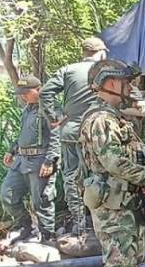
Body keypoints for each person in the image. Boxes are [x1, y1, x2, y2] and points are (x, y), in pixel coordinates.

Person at [78, 59, 145, 267]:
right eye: (125, 82)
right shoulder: (102, 120)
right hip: (113, 205)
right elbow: (113, 161)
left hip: (123, 202)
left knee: (127, 260)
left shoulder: (113, 118)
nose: (129, 87)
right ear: (110, 83)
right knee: (118, 264)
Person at [41, 36, 108, 236]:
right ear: (100, 53)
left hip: (70, 132)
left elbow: (45, 93)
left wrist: (54, 117)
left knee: (71, 178)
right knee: (100, 174)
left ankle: (80, 224)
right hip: (97, 133)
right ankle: (99, 222)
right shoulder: (105, 71)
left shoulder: (67, 70)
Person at [0, 75, 59, 243]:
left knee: (41, 200)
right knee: (8, 194)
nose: (23, 96)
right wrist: (12, 150)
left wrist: (50, 160)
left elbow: (57, 135)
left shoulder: (50, 108)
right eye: (21, 93)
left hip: (40, 160)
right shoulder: (27, 109)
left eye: (27, 92)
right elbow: (23, 133)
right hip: (21, 159)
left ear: (39, 90)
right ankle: (26, 227)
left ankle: (47, 236)